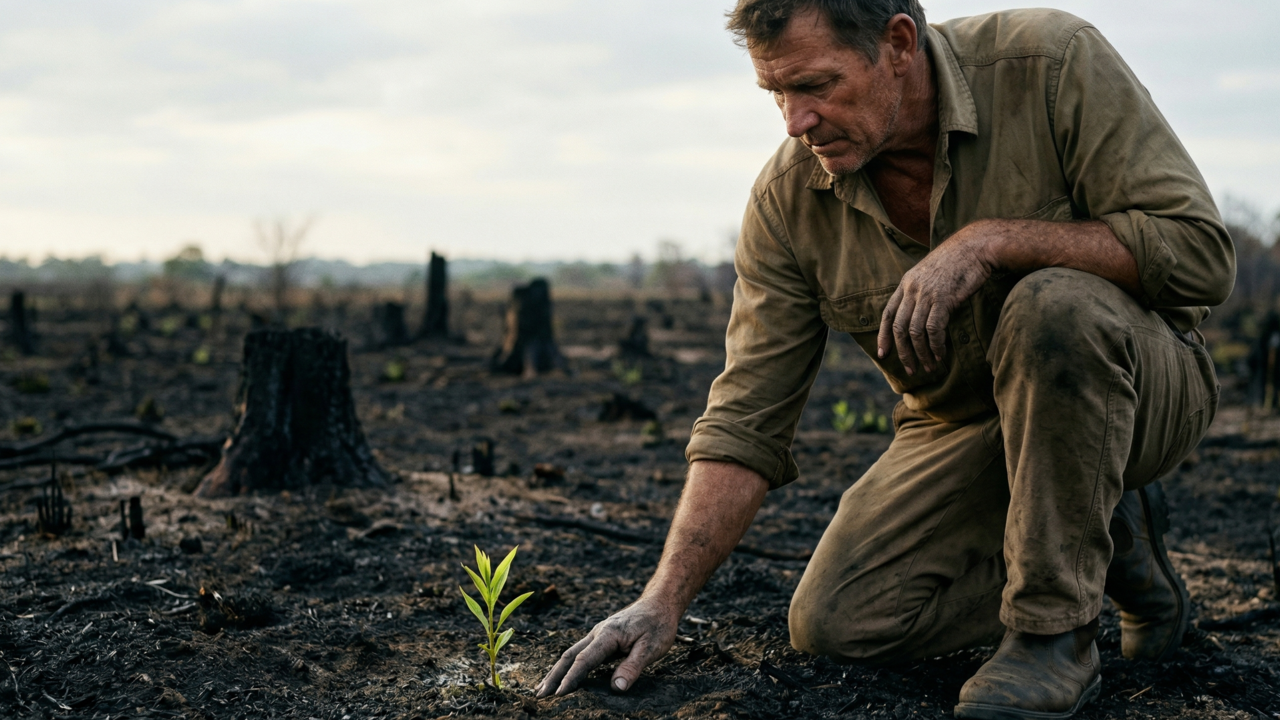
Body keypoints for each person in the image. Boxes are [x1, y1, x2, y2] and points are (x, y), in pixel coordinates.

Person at [537, 1, 1234, 717]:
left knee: (1052, 305)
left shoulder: (1051, 62)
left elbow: (1200, 257)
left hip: (1143, 384)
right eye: (775, 93)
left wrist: (992, 241)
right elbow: (747, 416)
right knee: (837, 622)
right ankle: (1110, 536)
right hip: (963, 423)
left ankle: (1052, 637)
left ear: (898, 43)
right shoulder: (788, 203)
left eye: (815, 85)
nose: (793, 121)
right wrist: (661, 601)